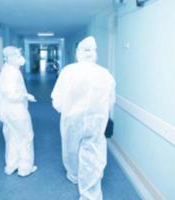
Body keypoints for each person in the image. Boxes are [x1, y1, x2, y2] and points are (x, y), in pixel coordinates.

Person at [51, 36, 115, 200]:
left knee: (71, 149)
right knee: (93, 155)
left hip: (72, 121)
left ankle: (74, 175)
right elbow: (111, 99)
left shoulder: (68, 71)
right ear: (95, 53)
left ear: (78, 52)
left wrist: (67, 109)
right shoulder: (105, 74)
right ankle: (91, 194)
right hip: (96, 121)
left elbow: (57, 101)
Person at [0, 46, 37, 177]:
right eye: (18, 55)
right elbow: (11, 94)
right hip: (15, 111)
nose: (21, 58)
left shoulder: (8, 70)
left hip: (8, 111)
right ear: (11, 58)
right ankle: (25, 168)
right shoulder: (11, 73)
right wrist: (26, 96)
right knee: (26, 137)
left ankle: (11, 165)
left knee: (13, 137)